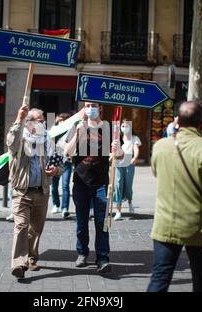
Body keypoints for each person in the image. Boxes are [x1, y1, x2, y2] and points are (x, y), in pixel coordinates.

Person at [147, 101, 202, 292]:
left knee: (159, 279)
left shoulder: (161, 146)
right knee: (201, 280)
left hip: (165, 224)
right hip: (198, 228)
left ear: (177, 122)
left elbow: (156, 172)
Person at [64, 102, 123, 274]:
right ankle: (82, 254)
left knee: (102, 223)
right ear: (84, 108)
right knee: (81, 223)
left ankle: (102, 258)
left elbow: (119, 155)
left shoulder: (108, 128)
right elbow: (67, 151)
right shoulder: (76, 127)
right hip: (81, 183)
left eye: (94, 105)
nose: (91, 108)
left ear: (100, 108)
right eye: (88, 105)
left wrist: (117, 150)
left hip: (101, 184)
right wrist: (78, 133)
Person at [6, 105, 61, 279]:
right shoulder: (20, 139)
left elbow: (59, 163)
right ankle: (18, 264)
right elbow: (10, 141)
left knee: (36, 229)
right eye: (40, 121)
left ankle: (31, 258)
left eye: (44, 121)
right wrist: (18, 119)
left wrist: (55, 171)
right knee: (21, 227)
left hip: (42, 192)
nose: (44, 123)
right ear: (29, 123)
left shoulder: (47, 140)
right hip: (22, 191)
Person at [113, 119, 141, 221]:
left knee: (128, 185)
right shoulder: (117, 138)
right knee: (118, 185)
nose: (124, 128)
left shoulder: (135, 138)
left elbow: (136, 149)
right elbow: (113, 151)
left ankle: (130, 201)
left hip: (129, 162)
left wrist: (135, 158)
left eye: (127, 126)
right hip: (118, 162)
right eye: (123, 126)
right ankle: (118, 211)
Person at [50, 113, 73, 219]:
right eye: (60, 121)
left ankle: (65, 208)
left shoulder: (71, 131)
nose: (62, 122)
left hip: (66, 161)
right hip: (55, 160)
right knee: (54, 185)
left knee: (65, 185)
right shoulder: (54, 130)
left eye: (64, 120)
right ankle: (55, 204)